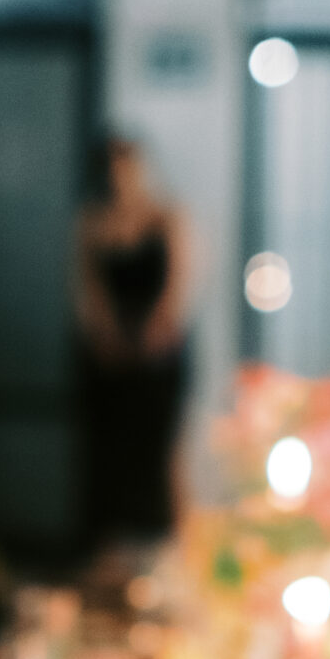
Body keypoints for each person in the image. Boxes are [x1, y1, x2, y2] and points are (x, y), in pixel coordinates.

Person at [76, 132, 195, 545]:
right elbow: (89, 292)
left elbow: (179, 282)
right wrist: (108, 336)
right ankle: (109, 545)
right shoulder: (92, 222)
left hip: (159, 350)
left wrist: (155, 331)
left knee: (162, 449)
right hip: (111, 355)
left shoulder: (166, 217)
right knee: (110, 452)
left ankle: (173, 542)